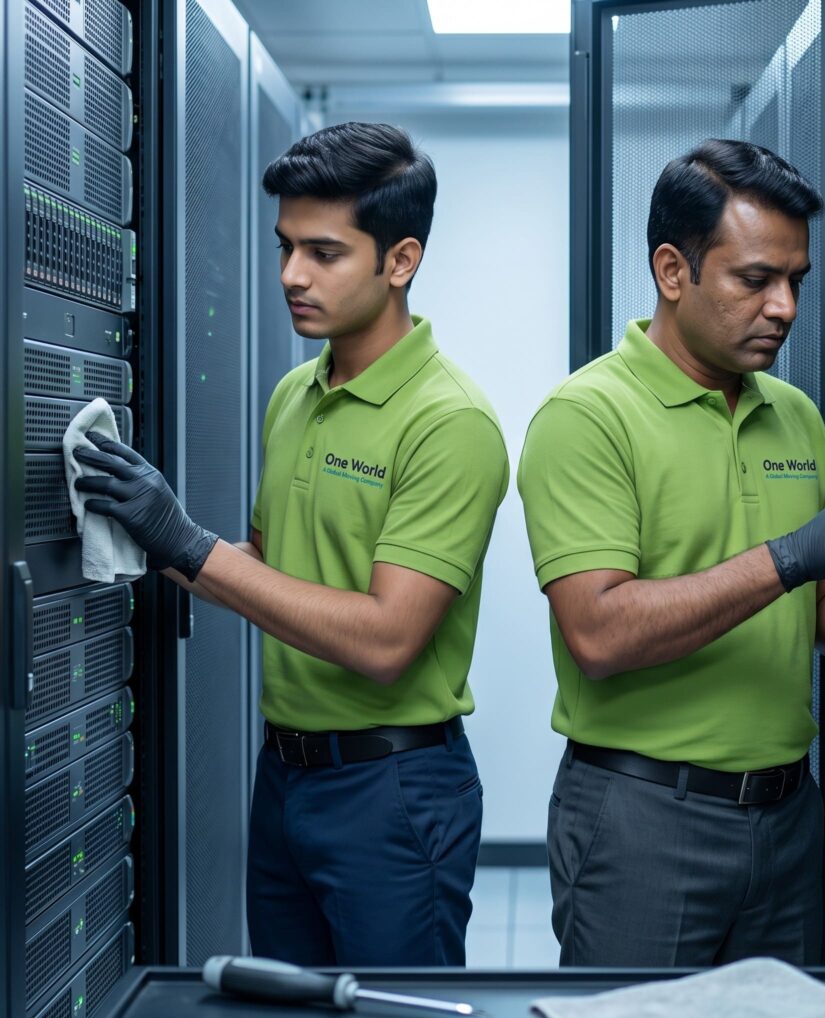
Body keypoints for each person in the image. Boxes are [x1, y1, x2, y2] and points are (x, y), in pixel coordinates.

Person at [516, 138, 825, 968]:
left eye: (796, 280)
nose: (785, 307)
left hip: (785, 818)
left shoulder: (794, 415)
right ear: (673, 271)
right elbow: (599, 635)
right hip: (643, 817)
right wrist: (792, 553)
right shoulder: (586, 416)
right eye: (755, 279)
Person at [75, 122, 509, 967]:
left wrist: (191, 545)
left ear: (400, 260)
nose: (290, 276)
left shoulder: (450, 422)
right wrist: (150, 539)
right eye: (284, 248)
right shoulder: (293, 396)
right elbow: (273, 571)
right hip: (285, 780)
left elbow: (388, 640)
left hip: (394, 791)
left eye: (323, 252)